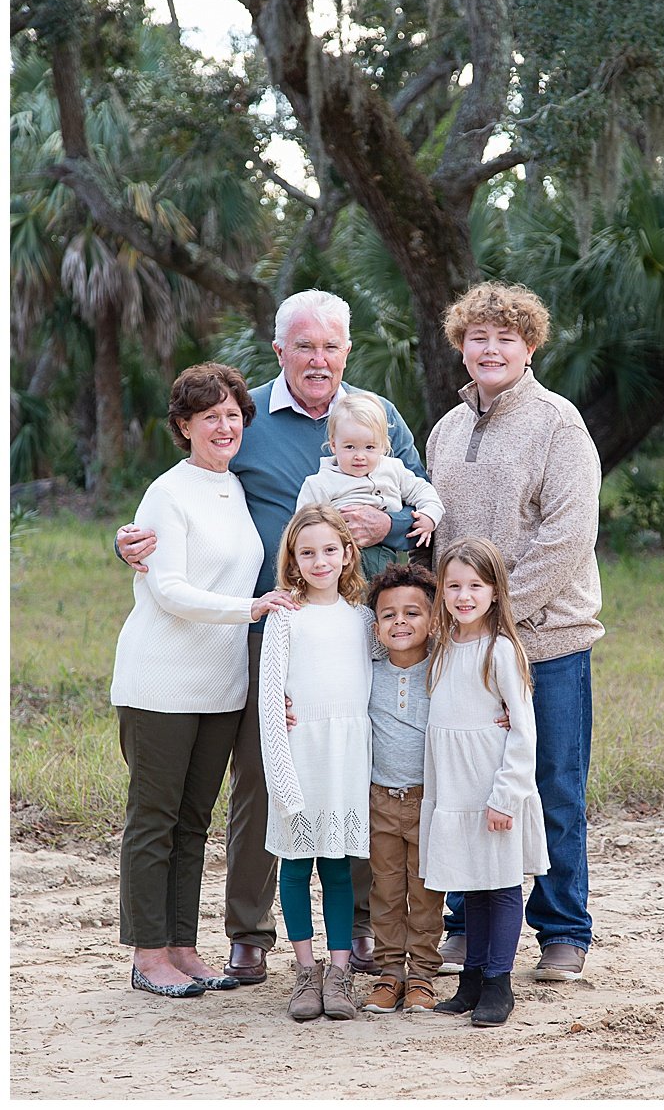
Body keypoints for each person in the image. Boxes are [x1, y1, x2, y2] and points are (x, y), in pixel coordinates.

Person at [116, 289, 426, 983]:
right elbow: (174, 505)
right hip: (266, 627)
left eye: (332, 347)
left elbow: (421, 498)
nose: (319, 359)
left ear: (349, 351)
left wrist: (393, 526)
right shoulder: (243, 417)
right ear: (279, 350)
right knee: (261, 775)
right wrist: (126, 542)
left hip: (359, 625)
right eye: (305, 346)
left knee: (360, 762)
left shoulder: (379, 416)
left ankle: (363, 926)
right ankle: (249, 931)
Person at [425, 282, 602, 983]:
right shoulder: (444, 429)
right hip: (463, 643)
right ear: (461, 347)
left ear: (529, 346)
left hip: (546, 642)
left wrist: (501, 615)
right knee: (467, 781)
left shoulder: (559, 424)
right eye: (477, 337)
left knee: (553, 783)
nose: (489, 348)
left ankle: (563, 929)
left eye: (505, 337)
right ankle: (467, 923)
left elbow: (567, 536)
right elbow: (435, 531)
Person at [109, 364, 300, 998]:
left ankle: (183, 947)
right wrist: (250, 609)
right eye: (209, 415)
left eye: (233, 414)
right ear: (184, 425)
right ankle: (147, 954)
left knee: (194, 821)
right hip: (162, 680)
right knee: (154, 818)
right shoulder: (168, 492)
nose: (225, 426)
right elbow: (167, 589)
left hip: (221, 685)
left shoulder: (233, 488)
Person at [423, 537, 549, 1027]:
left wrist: (506, 795)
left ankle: (499, 981)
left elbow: (522, 730)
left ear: (496, 591)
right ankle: (471, 978)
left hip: (494, 789)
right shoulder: (440, 649)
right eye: (452, 585)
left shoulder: (500, 650)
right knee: (471, 886)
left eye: (476, 585)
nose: (464, 596)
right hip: (454, 789)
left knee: (499, 885)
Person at [259, 505, 376, 1022]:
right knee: (295, 864)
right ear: (292, 559)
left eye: (330, 550)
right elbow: (270, 698)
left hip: (347, 756)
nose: (320, 560)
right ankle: (304, 970)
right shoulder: (287, 617)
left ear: (348, 553)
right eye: (307, 552)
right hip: (300, 751)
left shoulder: (365, 618)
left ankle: (339, 970)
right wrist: (282, 781)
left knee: (338, 867)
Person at [358, 563, 446, 1015]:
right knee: (386, 890)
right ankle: (390, 971)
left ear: (433, 621)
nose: (400, 623)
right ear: (376, 627)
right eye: (389, 615)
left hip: (428, 800)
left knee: (427, 892)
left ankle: (424, 976)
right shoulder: (368, 673)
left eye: (413, 613)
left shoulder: (444, 671)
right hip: (380, 801)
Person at [296, 393, 445, 579]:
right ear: (334, 445)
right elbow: (300, 526)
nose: (360, 456)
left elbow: (423, 491)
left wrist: (429, 515)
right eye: (350, 447)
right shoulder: (320, 483)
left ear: (383, 446)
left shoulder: (393, 469)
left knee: (384, 600)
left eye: (369, 447)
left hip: (386, 559)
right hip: (339, 564)